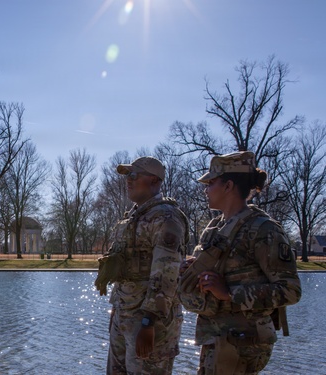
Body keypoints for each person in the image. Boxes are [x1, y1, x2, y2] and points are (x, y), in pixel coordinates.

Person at [179, 151, 302, 375]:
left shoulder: (264, 230)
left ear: (228, 186)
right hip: (216, 338)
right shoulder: (216, 227)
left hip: (244, 343)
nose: (206, 190)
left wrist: (229, 293)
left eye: (211, 183)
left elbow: (291, 290)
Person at [95, 156, 189, 375]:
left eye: (134, 175)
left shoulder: (166, 217)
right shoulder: (131, 219)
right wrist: (115, 310)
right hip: (124, 315)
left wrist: (149, 320)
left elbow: (167, 273)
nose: (128, 180)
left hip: (149, 322)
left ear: (154, 181)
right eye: (127, 176)